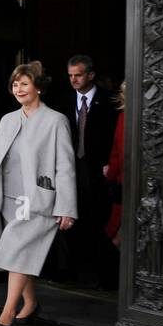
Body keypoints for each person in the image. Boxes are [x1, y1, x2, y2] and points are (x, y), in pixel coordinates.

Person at [0, 62, 77, 326]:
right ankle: (30, 304)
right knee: (18, 254)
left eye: (24, 84)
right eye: (15, 84)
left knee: (16, 253)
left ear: (38, 88)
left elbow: (65, 166)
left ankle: (7, 313)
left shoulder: (55, 121)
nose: (18, 89)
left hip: (37, 201)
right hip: (7, 199)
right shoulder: (8, 120)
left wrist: (67, 207)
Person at [56, 54, 118, 287]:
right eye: (70, 75)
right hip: (70, 168)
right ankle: (69, 272)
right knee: (69, 217)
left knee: (97, 218)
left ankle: (103, 275)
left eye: (78, 75)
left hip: (99, 170)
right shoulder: (62, 101)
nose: (73, 80)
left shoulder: (109, 101)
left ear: (91, 75)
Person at [102, 80, 126, 247]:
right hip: (124, 183)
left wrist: (110, 173)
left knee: (119, 237)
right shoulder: (124, 116)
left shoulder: (125, 117)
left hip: (126, 183)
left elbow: (119, 152)